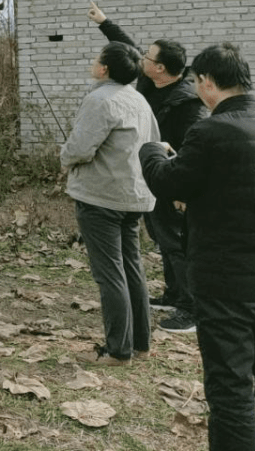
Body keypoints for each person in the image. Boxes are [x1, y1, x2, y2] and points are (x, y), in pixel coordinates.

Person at [140, 43, 255, 450]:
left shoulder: (209, 130)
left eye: (197, 82)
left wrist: (151, 151)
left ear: (207, 82)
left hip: (224, 286)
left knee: (230, 389)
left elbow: (169, 183)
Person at [88, 2, 207, 333]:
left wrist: (183, 190)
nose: (142, 59)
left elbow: (192, 151)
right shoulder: (151, 80)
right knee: (163, 239)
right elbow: (127, 44)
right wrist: (104, 21)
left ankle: (190, 309)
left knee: (177, 242)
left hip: (173, 183)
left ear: (162, 69)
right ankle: (173, 294)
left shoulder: (187, 104)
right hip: (151, 178)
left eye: (149, 59)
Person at [61, 41, 160, 365]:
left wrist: (64, 157)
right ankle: (140, 345)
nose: (93, 61)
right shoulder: (139, 100)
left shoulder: (99, 99)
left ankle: (118, 351)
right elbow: (155, 144)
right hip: (134, 196)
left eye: (96, 58)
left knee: (111, 274)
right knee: (132, 268)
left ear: (104, 68)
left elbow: (79, 149)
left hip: (102, 197)